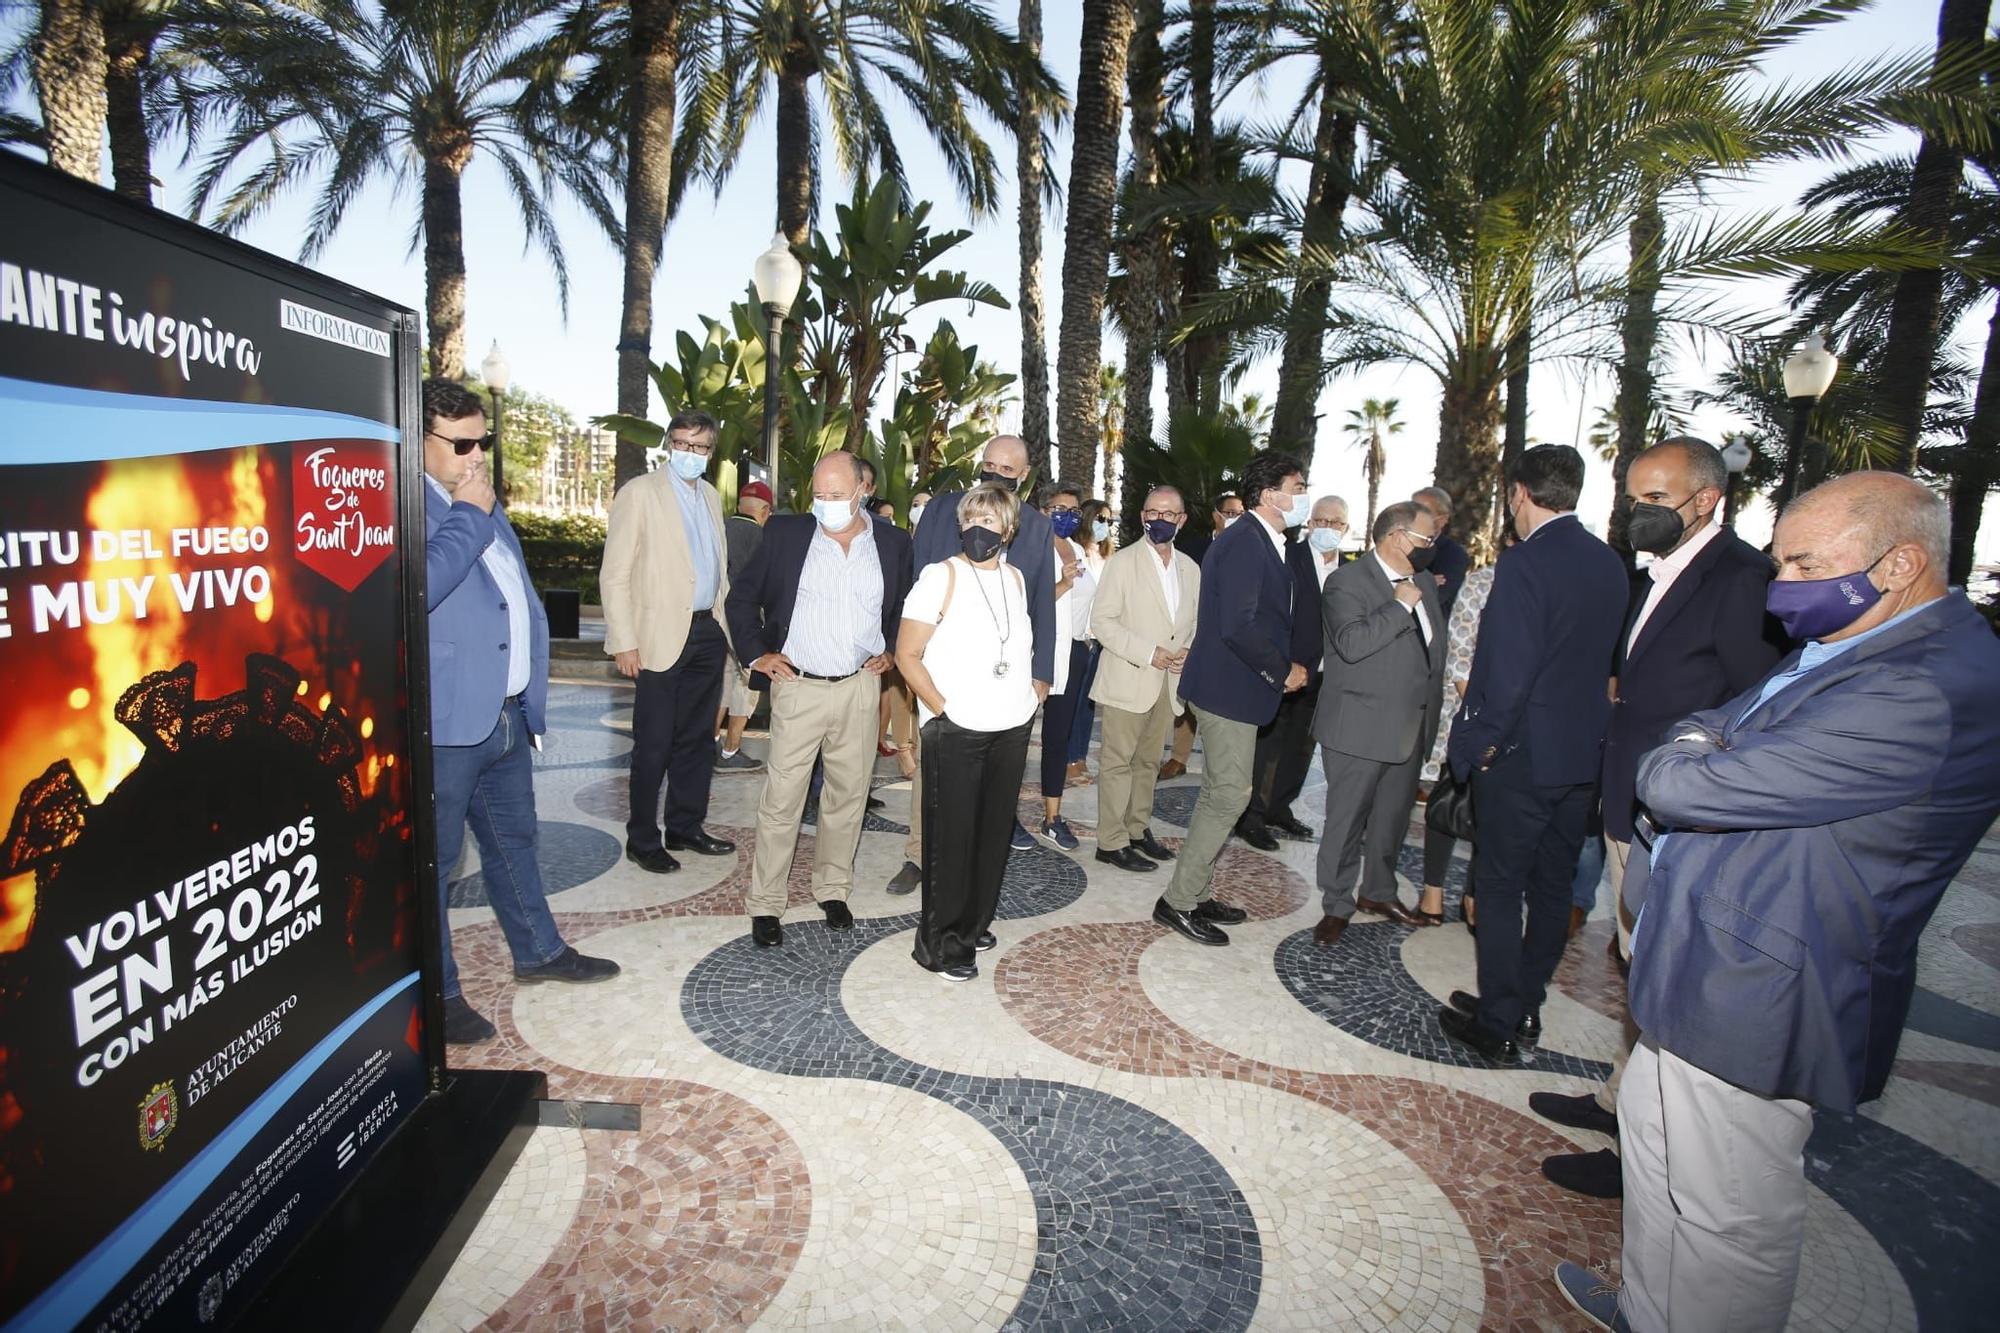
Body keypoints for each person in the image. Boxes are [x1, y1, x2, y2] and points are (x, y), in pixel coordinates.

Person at [1552, 472, 2000, 1332]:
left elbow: (1687, 780)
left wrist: (1685, 752)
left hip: (1761, 977)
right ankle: (1647, 1310)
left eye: (1802, 563)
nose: (1781, 585)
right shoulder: (1862, 641)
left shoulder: (1922, 685)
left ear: (1902, 561)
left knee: (1728, 1211)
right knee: (1652, 1136)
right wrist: (1699, 743)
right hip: (1709, 957)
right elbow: (1722, 720)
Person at [1533, 436, 1788, 1201]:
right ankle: (1619, 1097)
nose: (1639, 511)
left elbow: (1757, 707)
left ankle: (1638, 1146)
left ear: (1705, 499)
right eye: (1634, 495)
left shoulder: (1740, 579)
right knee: (1636, 963)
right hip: (1634, 799)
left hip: (1682, 816)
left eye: (1655, 498)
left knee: (1662, 970)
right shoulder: (1656, 573)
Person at [419, 379, 617, 1044]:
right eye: (462, 443)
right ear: (417, 440)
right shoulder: (405, 503)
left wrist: (529, 698)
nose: (478, 455)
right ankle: (439, 994)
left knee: (514, 843)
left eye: (485, 440)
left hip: (504, 715)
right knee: (437, 865)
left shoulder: (479, 499)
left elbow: (514, 597)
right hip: (447, 726)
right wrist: (470, 515)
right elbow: (419, 587)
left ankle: (538, 950)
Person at [1442, 445, 1627, 1064]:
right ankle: (1524, 1003)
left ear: (1517, 492)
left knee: (1497, 887)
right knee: (1553, 889)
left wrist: (1481, 746)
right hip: (1580, 759)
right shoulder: (1608, 564)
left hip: (1520, 757)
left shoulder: (1524, 566)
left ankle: (1496, 1022)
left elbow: (1509, 672)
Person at [724, 452, 912, 948]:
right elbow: (740, 598)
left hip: (858, 688)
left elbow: (901, 607)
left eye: (837, 496)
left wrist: (891, 651)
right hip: (798, 686)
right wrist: (757, 654)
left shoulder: (892, 543)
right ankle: (766, 903)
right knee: (782, 799)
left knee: (848, 796)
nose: (826, 505)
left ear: (862, 491)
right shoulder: (786, 535)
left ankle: (833, 889)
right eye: (819, 495)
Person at [883, 437, 1055, 894]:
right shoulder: (944, 511)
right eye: (988, 465)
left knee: (994, 777)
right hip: (948, 669)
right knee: (934, 768)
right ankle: (919, 855)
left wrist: (1042, 675)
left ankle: (980, 859)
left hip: (1006, 679)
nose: (995, 473)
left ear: (1023, 475)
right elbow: (920, 582)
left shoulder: (1038, 527)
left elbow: (1043, 604)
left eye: (1006, 468)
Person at [1157, 452, 1308, 945]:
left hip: (1233, 686)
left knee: (1221, 792)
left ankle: (1195, 891)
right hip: (1229, 688)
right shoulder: (1246, 541)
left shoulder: (1261, 540)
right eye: (1297, 485)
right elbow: (1238, 625)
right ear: (1270, 494)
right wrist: (1280, 670)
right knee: (1229, 795)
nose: (1302, 495)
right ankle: (1178, 902)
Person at [894, 482, 1041, 981]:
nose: (980, 528)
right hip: (956, 729)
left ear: (1009, 529)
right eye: (972, 519)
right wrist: (942, 708)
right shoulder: (940, 577)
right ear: (961, 525)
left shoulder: (1017, 579)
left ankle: (974, 923)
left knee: (991, 834)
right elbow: (906, 656)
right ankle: (941, 944)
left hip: (1011, 726)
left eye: (992, 521)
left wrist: (1027, 703)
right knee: (951, 840)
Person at [601, 408, 737, 874]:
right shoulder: (639, 494)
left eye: (699, 447)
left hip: (706, 631)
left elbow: (716, 566)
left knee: (698, 739)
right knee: (654, 743)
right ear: (668, 444)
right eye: (681, 444)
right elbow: (615, 572)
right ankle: (642, 837)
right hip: (658, 636)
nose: (689, 454)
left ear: (711, 452)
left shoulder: (712, 497)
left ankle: (685, 826)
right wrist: (624, 639)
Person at [1308, 501, 1447, 946]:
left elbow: (1431, 653)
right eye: (1427, 539)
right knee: (1346, 823)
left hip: (1409, 726)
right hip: (1359, 726)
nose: (1433, 547)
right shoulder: (1346, 582)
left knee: (1391, 821)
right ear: (1397, 537)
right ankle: (1336, 904)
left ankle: (1378, 893)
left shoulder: (1423, 580)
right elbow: (1350, 644)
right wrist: (1398, 607)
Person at [1088, 486, 1199, 872]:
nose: (1159, 520)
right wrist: (1149, 653)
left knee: (1149, 763)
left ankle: (1137, 829)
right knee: (1118, 763)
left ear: (1182, 519)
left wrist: (1188, 649)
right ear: (1142, 517)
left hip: (1168, 683)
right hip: (1129, 677)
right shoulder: (1123, 562)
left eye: (1169, 514)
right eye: (1152, 512)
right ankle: (1111, 841)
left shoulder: (1190, 568)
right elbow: (1101, 621)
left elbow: (1194, 623)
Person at [1239, 494, 1350, 849]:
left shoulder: (1350, 571)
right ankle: (1252, 816)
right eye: (1320, 520)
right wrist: (1280, 664)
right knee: (1268, 746)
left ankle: (1279, 808)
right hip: (1287, 669)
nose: (1326, 528)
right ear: (1310, 523)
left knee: (1302, 747)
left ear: (1346, 529)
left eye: (1335, 522)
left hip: (1326, 674)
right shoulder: (1289, 557)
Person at [1033, 481, 1096, 851]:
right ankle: (1002, 818)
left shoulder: (1076, 549)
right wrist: (1062, 582)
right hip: (1038, 651)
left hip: (1073, 652)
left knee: (1059, 738)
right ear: (1043, 511)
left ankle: (1052, 817)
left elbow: (1087, 599)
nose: (1068, 517)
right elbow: (1028, 601)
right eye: (1060, 510)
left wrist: (1088, 639)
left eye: (1074, 511)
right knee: (1017, 736)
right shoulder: (1030, 549)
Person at [1160, 496, 1236, 779]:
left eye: (1240, 513)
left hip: (1231, 637)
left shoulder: (1250, 550)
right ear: (1216, 515)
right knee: (1186, 695)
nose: (1234, 517)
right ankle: (1178, 758)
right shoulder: (1192, 548)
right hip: (1193, 631)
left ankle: (1221, 768)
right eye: (1229, 512)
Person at [715, 478, 773, 773]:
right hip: (744, 625)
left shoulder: (718, 527)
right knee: (747, 686)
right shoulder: (762, 538)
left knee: (721, 683)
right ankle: (730, 749)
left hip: (711, 620)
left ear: (739, 505)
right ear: (765, 510)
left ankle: (708, 745)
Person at [1064, 498, 1116, 786]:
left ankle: (1080, 756)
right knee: (1070, 704)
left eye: (1108, 520)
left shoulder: (1108, 558)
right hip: (1076, 638)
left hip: (1099, 641)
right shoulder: (1073, 554)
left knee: (1087, 705)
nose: (1104, 525)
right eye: (1099, 518)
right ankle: (1068, 758)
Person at [1412, 485, 1470, 616]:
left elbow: (1437, 598)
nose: (1415, 516)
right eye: (1411, 510)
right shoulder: (1399, 545)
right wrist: (1426, 582)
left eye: (1424, 511)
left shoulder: (1454, 555)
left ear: (1442, 520)